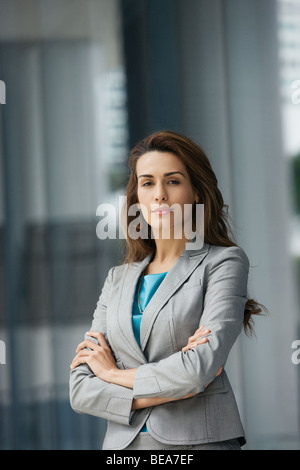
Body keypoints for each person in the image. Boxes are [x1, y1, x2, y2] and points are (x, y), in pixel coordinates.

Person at [69, 130, 262, 450]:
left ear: (196, 193)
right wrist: (175, 384)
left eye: (172, 181)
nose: (159, 194)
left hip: (197, 443)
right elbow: (80, 390)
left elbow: (198, 369)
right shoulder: (117, 278)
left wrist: (113, 375)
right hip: (124, 449)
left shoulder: (223, 262)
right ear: (136, 198)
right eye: (147, 183)